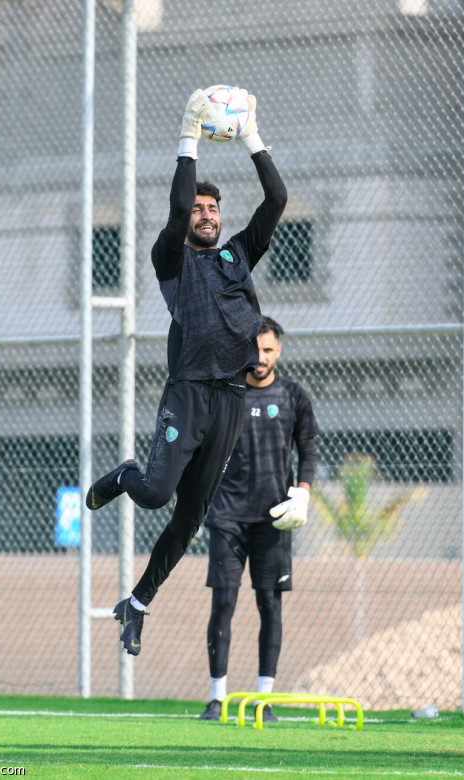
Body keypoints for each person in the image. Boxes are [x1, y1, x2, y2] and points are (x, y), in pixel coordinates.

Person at [85, 87, 288, 657]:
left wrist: (250, 136)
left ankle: (138, 602)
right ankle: (124, 475)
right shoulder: (171, 258)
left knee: (190, 518)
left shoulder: (237, 256)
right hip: (189, 395)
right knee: (153, 493)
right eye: (199, 208)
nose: (205, 214)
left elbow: (277, 197)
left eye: (212, 209)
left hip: (231, 403)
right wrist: (189, 137)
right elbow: (176, 208)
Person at [199, 316, 319, 722]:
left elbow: (308, 451)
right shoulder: (224, 396)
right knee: (224, 602)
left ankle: (264, 700)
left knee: (270, 604)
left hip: (274, 519)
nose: (260, 357)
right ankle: (217, 697)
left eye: (268, 350)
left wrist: (303, 493)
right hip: (227, 517)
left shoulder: (294, 396)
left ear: (278, 351)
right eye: (254, 350)